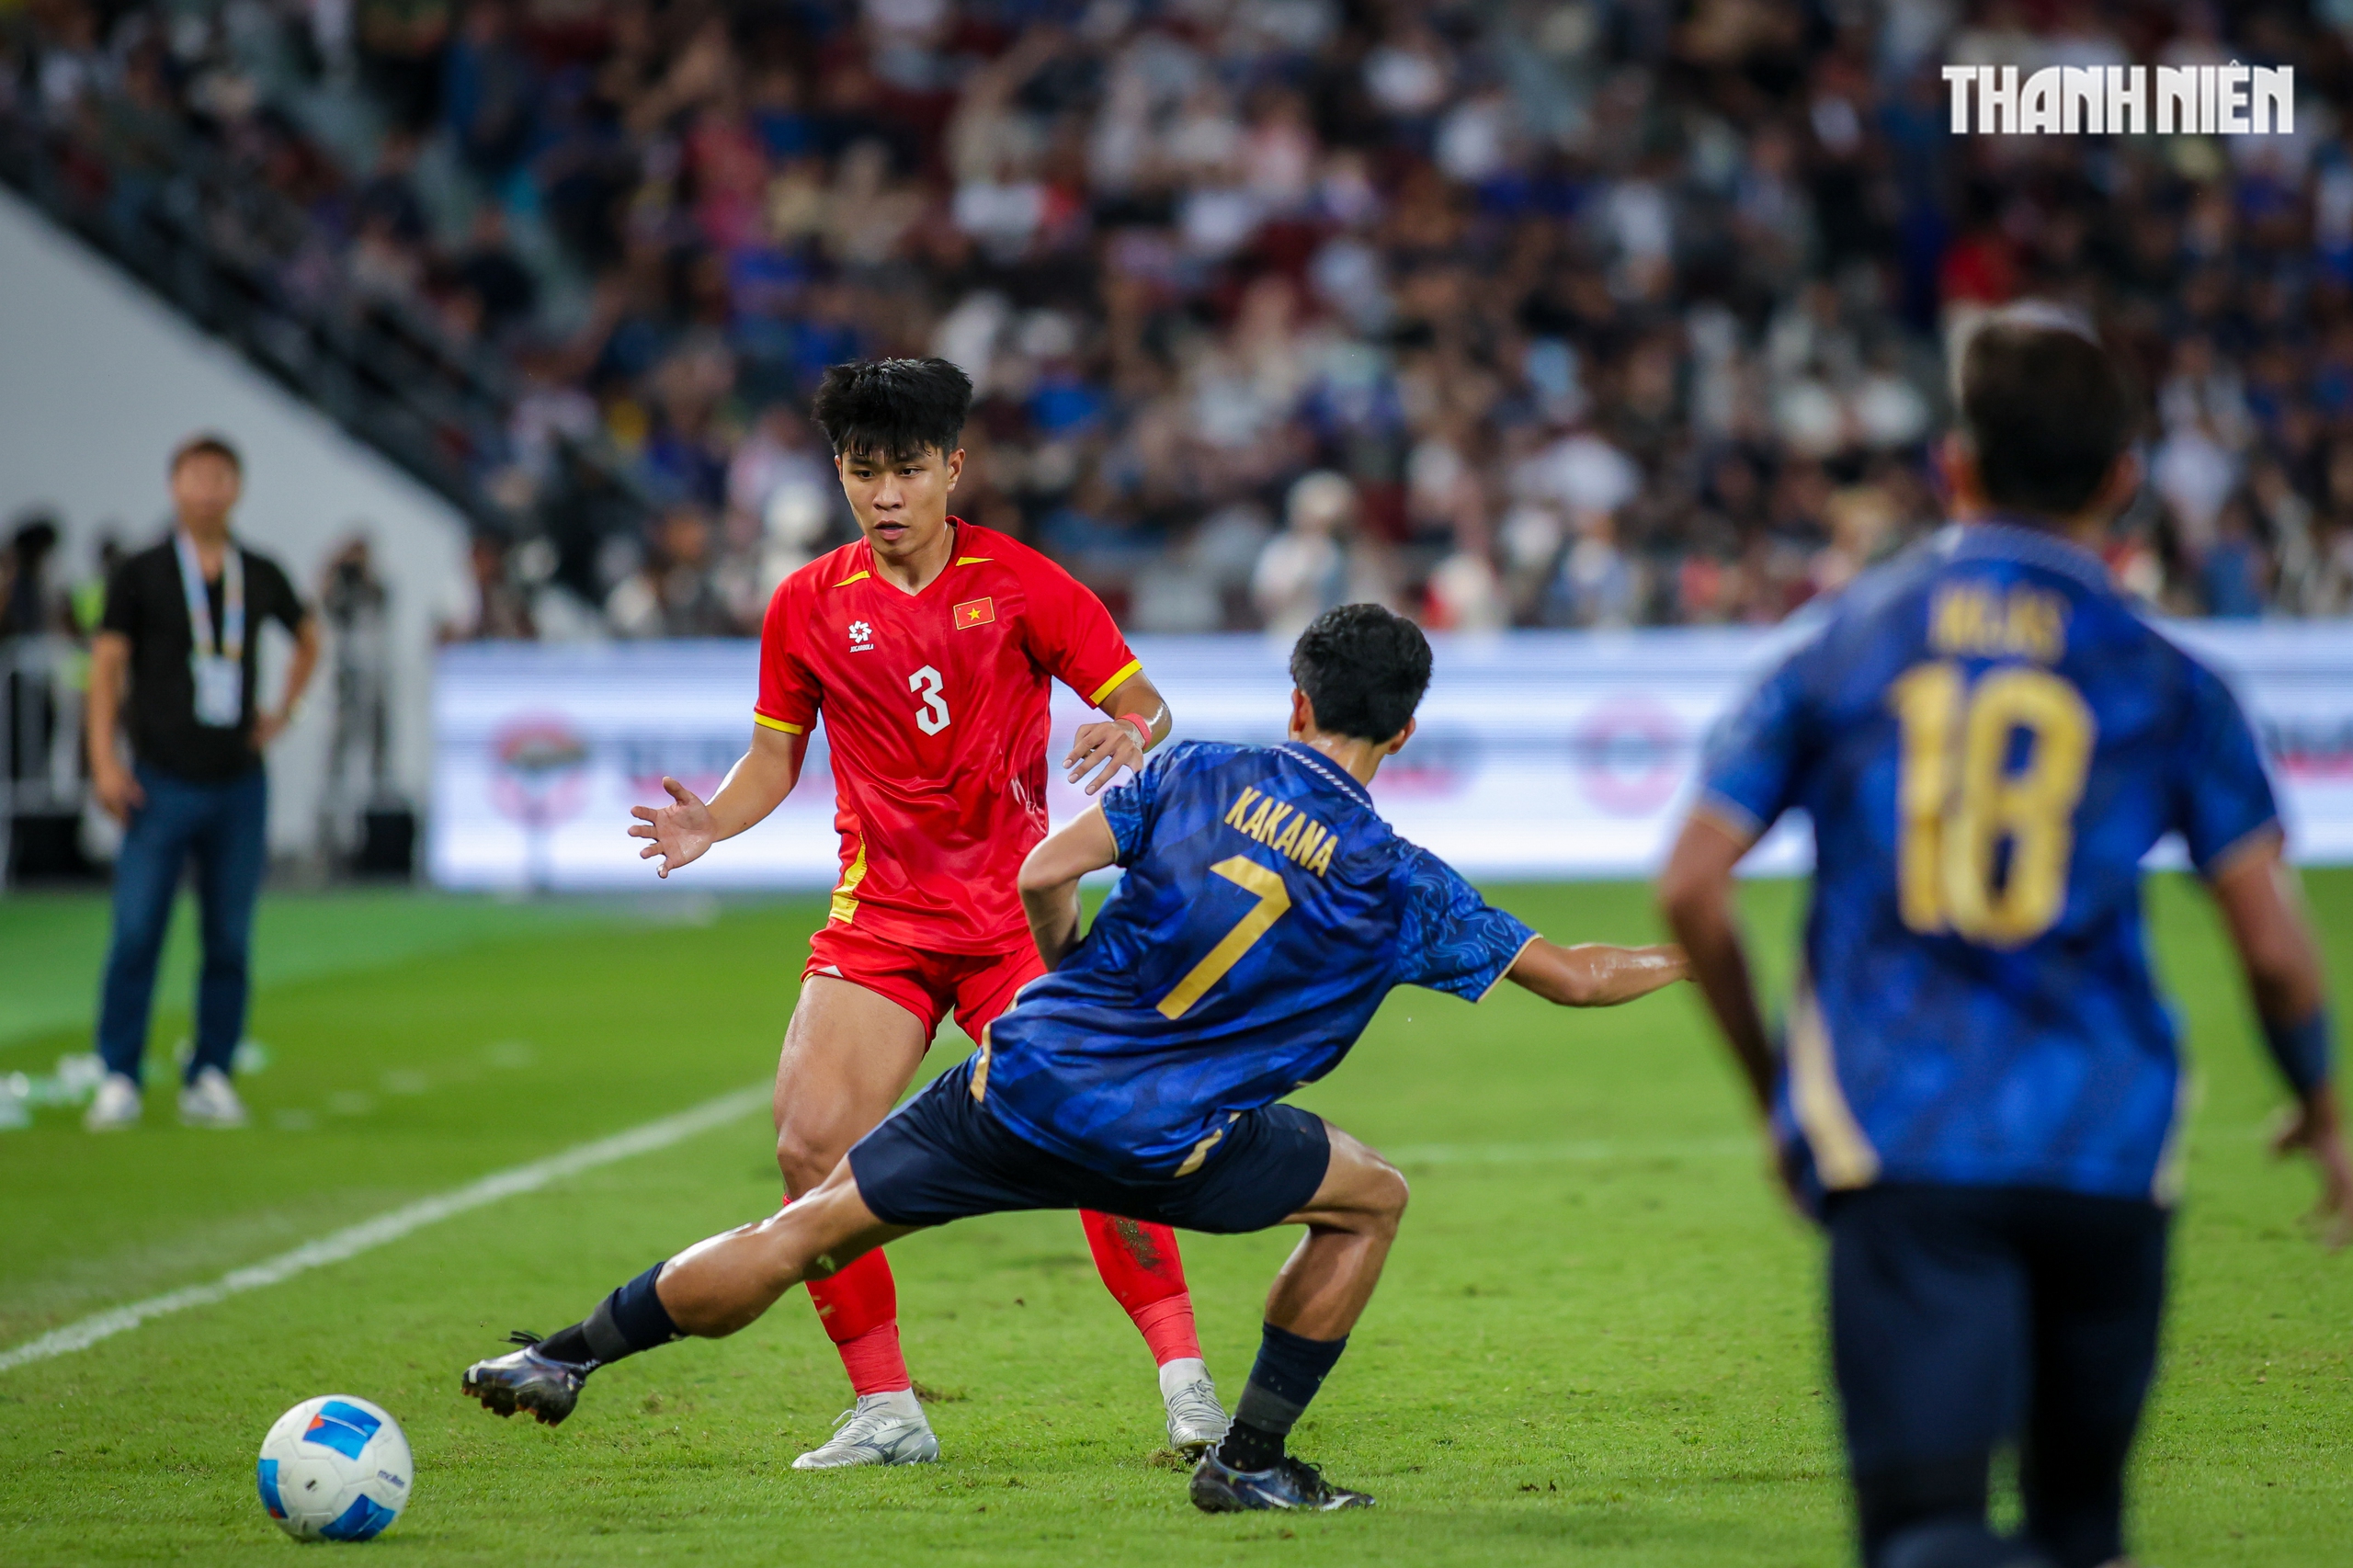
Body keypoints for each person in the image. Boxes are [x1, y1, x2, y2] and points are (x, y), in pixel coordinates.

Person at [463, 603, 1692, 1510]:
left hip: (1023, 1076)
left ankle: (566, 1353)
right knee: (1370, 1199)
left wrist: (1061, 975)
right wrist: (1703, 947)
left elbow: (1044, 871)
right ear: (1408, 732)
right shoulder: (1407, 884)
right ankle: (1249, 1464)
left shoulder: (1198, 768)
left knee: (805, 1227)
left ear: (1298, 703)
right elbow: (1581, 976)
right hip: (1174, 1144)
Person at [1656, 312, 2353, 1568]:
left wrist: (1777, 1094)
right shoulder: (2169, 678)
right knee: (2083, 1530)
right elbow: (2275, 945)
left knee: (1927, 1534)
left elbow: (1693, 885)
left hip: (1904, 1138)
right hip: (2110, 1145)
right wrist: (2321, 1104)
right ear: (2123, 484)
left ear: (1954, 469)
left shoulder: (1843, 645)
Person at [620, 358, 1217, 1469]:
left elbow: (1141, 699)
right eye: (862, 471)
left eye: (905, 470)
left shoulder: (1027, 582)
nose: (884, 494)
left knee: (1104, 1133)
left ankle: (1189, 1391)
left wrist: (1130, 731)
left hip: (1011, 917)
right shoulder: (805, 603)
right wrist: (716, 823)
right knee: (809, 1148)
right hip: (881, 917)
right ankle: (887, 1411)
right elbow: (770, 759)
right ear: (839, 474)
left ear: (953, 466)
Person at [83, 435, 322, 1131]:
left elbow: (309, 637)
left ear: (237, 489)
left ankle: (211, 1071)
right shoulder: (142, 571)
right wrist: (103, 760)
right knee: (136, 930)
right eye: (196, 477)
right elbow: (105, 669)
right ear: (174, 486)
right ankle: (118, 1073)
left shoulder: (258, 570)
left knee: (229, 936)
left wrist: (285, 712)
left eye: (220, 478)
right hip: (157, 781)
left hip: (238, 782)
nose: (208, 490)